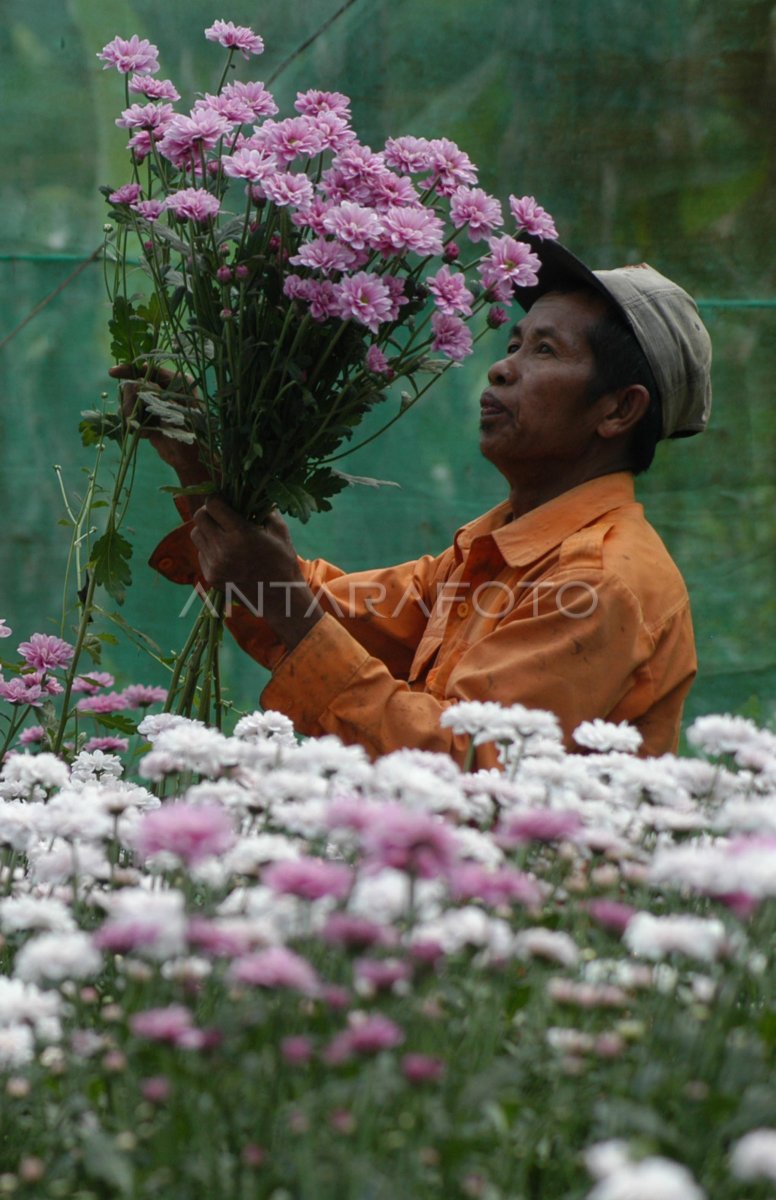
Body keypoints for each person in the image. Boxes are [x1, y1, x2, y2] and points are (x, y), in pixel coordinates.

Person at [137, 235, 712, 767]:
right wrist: (202, 469)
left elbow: (460, 766)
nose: (501, 367)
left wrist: (282, 598)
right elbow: (337, 616)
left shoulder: (599, 582)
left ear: (617, 410)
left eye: (544, 351)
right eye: (514, 342)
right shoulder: (489, 552)